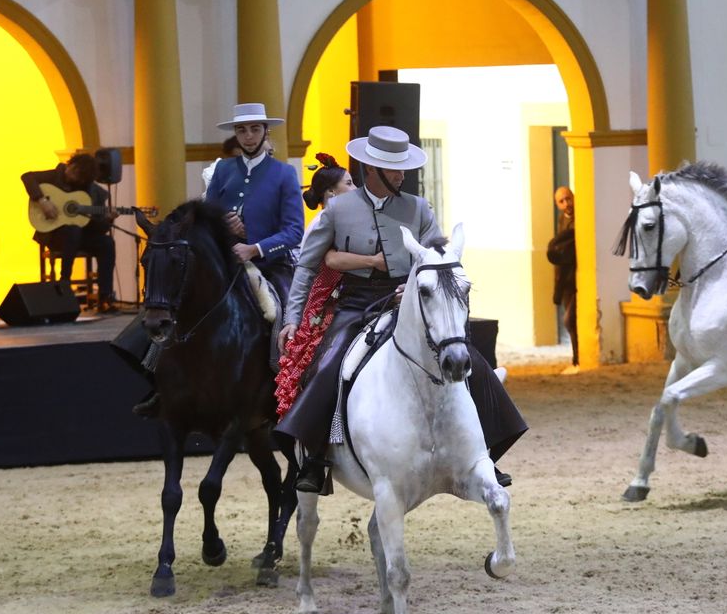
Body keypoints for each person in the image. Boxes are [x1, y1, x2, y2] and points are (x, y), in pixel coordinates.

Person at [276, 126, 528, 494]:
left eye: (402, 167)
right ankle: (315, 459)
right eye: (394, 168)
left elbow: (440, 258)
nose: (402, 174)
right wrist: (292, 318)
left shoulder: (418, 207)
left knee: (466, 355)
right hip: (355, 306)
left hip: (409, 303)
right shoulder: (338, 209)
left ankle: (486, 450)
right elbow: (307, 267)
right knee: (329, 365)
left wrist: (413, 287)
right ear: (371, 170)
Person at [274, 154, 379, 416]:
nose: (355, 189)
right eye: (349, 183)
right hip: (324, 305)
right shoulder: (323, 221)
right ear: (332, 193)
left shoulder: (348, 218)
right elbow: (328, 262)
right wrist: (375, 261)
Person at [202, 102, 304, 303]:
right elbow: (206, 218)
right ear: (236, 134)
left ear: (266, 132)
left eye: (255, 129)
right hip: (225, 262)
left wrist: (254, 247)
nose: (248, 136)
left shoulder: (285, 173)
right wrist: (224, 225)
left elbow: (294, 232)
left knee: (286, 311)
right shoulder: (223, 169)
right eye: (242, 130)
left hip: (270, 266)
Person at [22, 152, 119, 310]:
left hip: (83, 236)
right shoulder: (56, 175)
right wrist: (42, 201)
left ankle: (105, 296)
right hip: (55, 236)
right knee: (73, 230)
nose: (70, 172)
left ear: (83, 180)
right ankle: (64, 282)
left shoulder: (94, 193)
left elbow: (98, 228)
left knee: (107, 243)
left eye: (76, 173)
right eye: (72, 167)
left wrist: (108, 219)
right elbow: (27, 177)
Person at [546, 185, 579, 373]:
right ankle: (575, 358)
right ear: (557, 205)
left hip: (576, 277)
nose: (567, 204)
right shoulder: (562, 220)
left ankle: (578, 358)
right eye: (561, 201)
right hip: (565, 278)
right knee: (570, 320)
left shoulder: (578, 219)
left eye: (568, 198)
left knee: (569, 319)